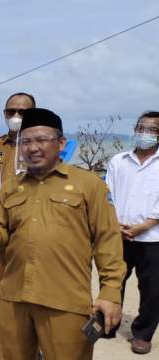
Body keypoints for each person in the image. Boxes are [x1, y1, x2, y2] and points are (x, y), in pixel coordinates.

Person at [0, 108, 125, 360]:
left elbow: (107, 241)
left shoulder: (89, 185)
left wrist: (110, 292)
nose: (32, 148)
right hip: (14, 298)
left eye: (41, 140)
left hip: (65, 301)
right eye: (26, 141)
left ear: (61, 143)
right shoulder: (11, 187)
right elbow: (1, 240)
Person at [0, 92, 36, 350]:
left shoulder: (39, 148)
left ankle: (29, 337)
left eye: (22, 112)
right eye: (10, 112)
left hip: (31, 228)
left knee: (31, 284)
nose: (16, 117)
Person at [104, 111, 159, 354]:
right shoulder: (119, 161)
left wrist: (146, 224)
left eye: (152, 129)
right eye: (142, 127)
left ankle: (142, 334)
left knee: (152, 290)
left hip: (153, 238)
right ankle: (108, 324)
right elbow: (108, 194)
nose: (145, 133)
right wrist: (115, 222)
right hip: (118, 235)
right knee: (113, 282)